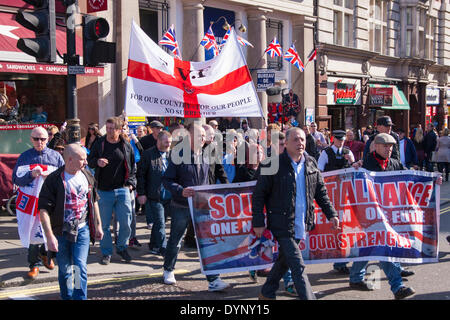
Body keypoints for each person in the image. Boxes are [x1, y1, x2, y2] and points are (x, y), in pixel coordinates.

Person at [350, 133, 442, 299]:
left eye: (391, 146)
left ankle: (356, 277)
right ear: (375, 147)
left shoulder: (394, 163)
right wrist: (354, 167)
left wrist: (433, 181)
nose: (389, 149)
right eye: (385, 146)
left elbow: (410, 178)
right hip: (370, 214)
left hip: (389, 213)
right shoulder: (365, 164)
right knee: (384, 247)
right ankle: (397, 286)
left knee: (370, 245)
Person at [252, 127, 340, 300]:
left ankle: (267, 292)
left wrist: (332, 214)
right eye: (296, 140)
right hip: (281, 223)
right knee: (298, 266)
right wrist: (258, 221)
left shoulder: (311, 163)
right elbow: (259, 195)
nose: (300, 143)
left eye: (302, 139)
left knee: (285, 260)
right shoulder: (272, 164)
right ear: (286, 143)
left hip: (302, 222)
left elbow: (320, 192)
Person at [162, 123, 230, 291]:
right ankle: (168, 270)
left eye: (203, 136)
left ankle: (213, 279)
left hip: (202, 205)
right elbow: (166, 180)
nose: (203, 138)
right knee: (176, 239)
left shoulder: (208, 153)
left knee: (207, 242)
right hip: (181, 205)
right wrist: (180, 190)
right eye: (199, 135)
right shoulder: (178, 154)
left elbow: (211, 176)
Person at [38, 144, 103, 300]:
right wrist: (49, 236)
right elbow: (43, 210)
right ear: (69, 159)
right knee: (65, 270)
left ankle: (80, 297)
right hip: (61, 232)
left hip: (82, 229)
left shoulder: (87, 175)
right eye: (82, 159)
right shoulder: (54, 180)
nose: (86, 162)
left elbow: (94, 201)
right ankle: (67, 297)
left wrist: (99, 225)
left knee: (79, 267)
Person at [12, 127, 65, 279]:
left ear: (48, 139)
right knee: (33, 231)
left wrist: (52, 176)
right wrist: (31, 175)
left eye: (42, 139)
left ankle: (45, 255)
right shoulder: (24, 157)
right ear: (31, 139)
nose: (39, 142)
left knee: (50, 230)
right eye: (36, 139)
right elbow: (16, 179)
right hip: (30, 203)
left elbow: (63, 177)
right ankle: (34, 264)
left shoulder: (56, 156)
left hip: (50, 201)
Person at [87, 117, 136, 265]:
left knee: (126, 223)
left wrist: (131, 184)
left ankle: (121, 247)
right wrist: (97, 162)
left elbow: (133, 167)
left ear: (119, 130)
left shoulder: (126, 145)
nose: (108, 131)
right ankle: (106, 252)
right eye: (107, 128)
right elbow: (89, 160)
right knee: (105, 225)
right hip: (103, 191)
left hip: (122, 189)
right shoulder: (100, 143)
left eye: (112, 128)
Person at [317, 130, 360, 274]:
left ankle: (341, 260)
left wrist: (350, 161)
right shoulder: (326, 152)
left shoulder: (348, 152)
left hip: (345, 193)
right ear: (333, 139)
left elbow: (354, 169)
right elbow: (320, 171)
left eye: (342, 140)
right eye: (338, 140)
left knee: (345, 225)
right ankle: (333, 257)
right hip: (331, 193)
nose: (341, 142)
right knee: (333, 226)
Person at [137, 131, 173, 255]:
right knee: (160, 222)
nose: (169, 144)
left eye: (170, 142)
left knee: (159, 222)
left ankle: (153, 245)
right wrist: (141, 193)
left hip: (168, 195)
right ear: (159, 141)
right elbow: (140, 175)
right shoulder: (148, 154)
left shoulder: (172, 154)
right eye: (166, 142)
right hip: (154, 194)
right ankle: (164, 247)